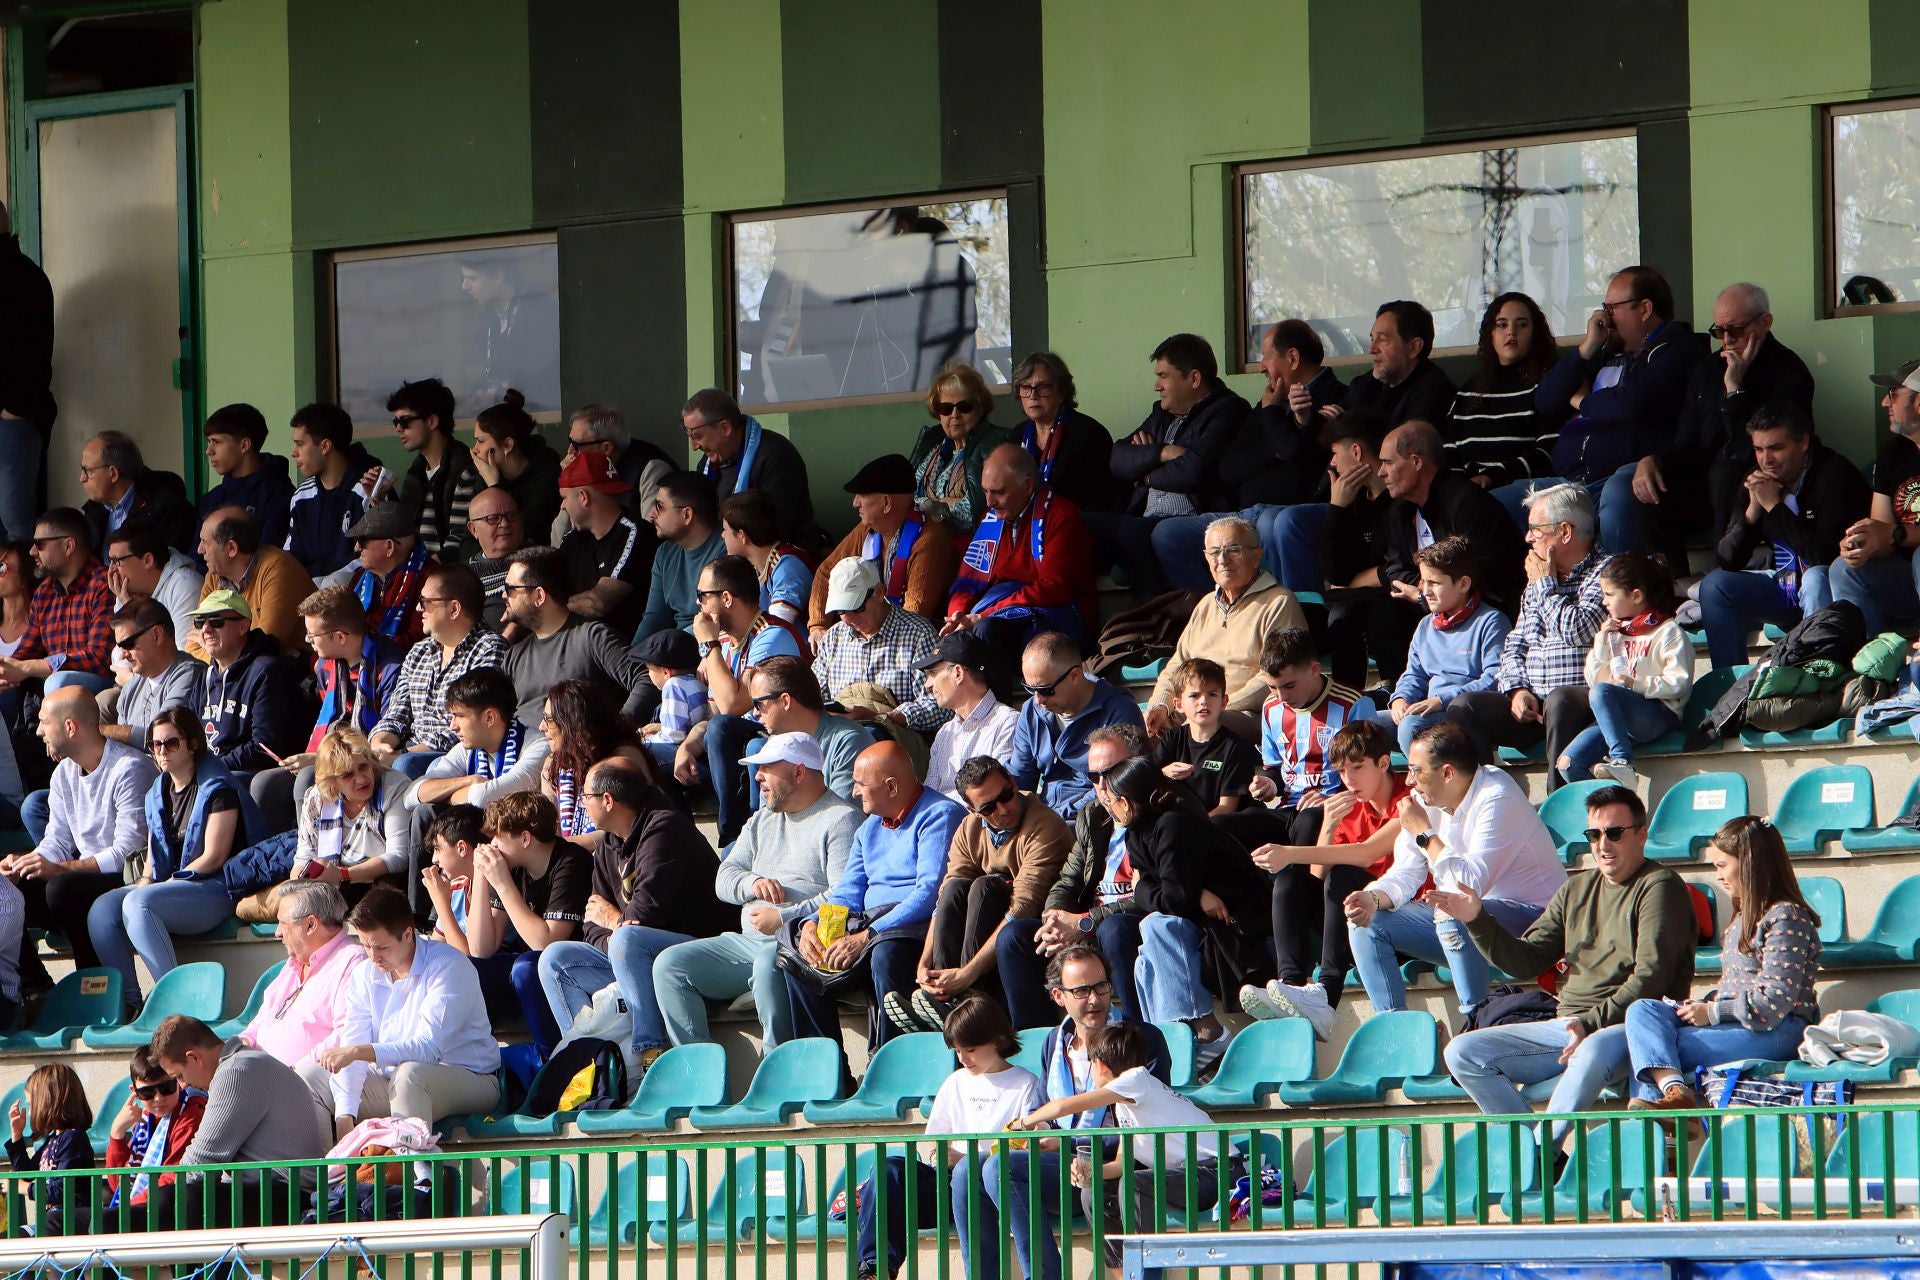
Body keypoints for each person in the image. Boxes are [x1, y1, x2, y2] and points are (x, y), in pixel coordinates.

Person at [1435, 785, 1694, 1139]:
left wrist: (1590, 1023)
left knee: (1592, 1047)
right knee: (1463, 1052)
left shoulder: (1660, 885)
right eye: (1594, 834)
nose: (1603, 844)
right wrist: (1477, 919)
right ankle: (1528, 1152)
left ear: (1641, 835)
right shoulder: (1576, 888)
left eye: (1615, 833)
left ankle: (1541, 1153)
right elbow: (1526, 960)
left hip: (1632, 1027)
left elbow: (1651, 977)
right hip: (1568, 1024)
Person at [1340, 722, 1566, 1023]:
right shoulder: (1425, 800)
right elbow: (1406, 873)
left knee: (1454, 910)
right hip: (1474, 924)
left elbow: (1467, 887)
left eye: (1416, 771)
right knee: (1366, 919)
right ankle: (1393, 1028)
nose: (1409, 782)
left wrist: (1424, 834)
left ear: (1447, 773)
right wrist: (1374, 898)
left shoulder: (1498, 796)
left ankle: (1476, 1020)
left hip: (1537, 923)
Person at [652, 733, 861, 1049]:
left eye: (766, 767)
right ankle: (700, 1078)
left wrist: (783, 917)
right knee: (670, 965)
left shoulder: (842, 819)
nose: (757, 776)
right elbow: (723, 879)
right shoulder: (761, 819)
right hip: (747, 942)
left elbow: (843, 896)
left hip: (799, 942)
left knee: (768, 963)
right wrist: (752, 883)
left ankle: (777, 1072)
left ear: (799, 772)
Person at [975, 945, 1171, 1280]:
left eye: (1101, 987)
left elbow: (1149, 1117)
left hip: (1119, 1164)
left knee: (1002, 1167)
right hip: (1066, 1163)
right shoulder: (1053, 1042)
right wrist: (1045, 1136)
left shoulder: (1140, 1038)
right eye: (1081, 991)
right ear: (1058, 995)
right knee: (973, 1169)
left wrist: (1085, 1150)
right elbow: (1042, 1110)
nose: (1094, 999)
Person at [535, 758, 731, 1072]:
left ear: (608, 800)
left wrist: (615, 923)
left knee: (628, 937)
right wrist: (617, 932)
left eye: (586, 797)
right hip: (635, 956)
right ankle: (588, 1065)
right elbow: (590, 923)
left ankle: (649, 1056)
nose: (583, 804)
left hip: (696, 952)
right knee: (555, 959)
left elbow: (648, 912)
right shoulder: (607, 846)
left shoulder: (666, 828)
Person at [784, 741, 966, 1075]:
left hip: (915, 930)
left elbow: (929, 894)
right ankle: (826, 1073)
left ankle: (892, 1066)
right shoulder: (869, 828)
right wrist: (812, 923)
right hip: (867, 927)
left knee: (886, 950)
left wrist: (868, 936)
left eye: (860, 784)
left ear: (892, 786)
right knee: (794, 959)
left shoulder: (940, 815)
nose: (853, 792)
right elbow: (847, 895)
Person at [1623, 815, 1820, 1117]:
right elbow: (1738, 985)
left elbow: (1775, 1000)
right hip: (1739, 1024)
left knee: (1656, 1049)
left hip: (1779, 1030)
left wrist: (1713, 1013)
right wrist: (1704, 1004)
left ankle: (1660, 1139)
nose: (1717, 876)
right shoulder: (1741, 917)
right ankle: (1675, 1094)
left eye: (1721, 865)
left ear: (1750, 863)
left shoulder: (1787, 916)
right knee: (1643, 1011)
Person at [1613, 282, 1816, 562]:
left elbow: (1750, 448)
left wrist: (1735, 390)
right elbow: (1689, 440)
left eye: (1735, 330)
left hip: (1755, 480)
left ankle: (1725, 568)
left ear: (1765, 322)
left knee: (1726, 467)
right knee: (1647, 483)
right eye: (1719, 331)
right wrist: (1653, 460)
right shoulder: (1707, 369)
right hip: (1703, 481)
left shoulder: (1789, 373)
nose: (1727, 340)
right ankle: (1672, 583)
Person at [1010, 1021, 1232, 1273]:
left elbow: (1062, 1106)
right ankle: (1124, 1273)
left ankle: (1146, 1275)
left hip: (1219, 1172)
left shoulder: (1136, 1079)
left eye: (1091, 1064)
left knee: (1136, 1184)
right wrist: (1091, 1172)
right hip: (1184, 1176)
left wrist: (1023, 1123)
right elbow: (1122, 1163)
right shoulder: (1128, 1104)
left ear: (1101, 1065)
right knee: (1095, 1191)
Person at [89, 708, 267, 1017]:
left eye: (171, 743)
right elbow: (151, 860)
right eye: (156, 745)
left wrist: (162, 886)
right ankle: (131, 1003)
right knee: (102, 910)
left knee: (138, 904)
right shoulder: (158, 791)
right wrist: (145, 882)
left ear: (193, 744)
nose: (162, 751)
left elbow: (213, 856)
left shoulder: (219, 788)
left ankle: (176, 1004)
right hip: (171, 888)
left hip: (215, 888)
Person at [854, 995, 1042, 1280]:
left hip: (990, 1189)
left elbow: (1022, 1151)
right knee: (888, 1168)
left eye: (970, 1049)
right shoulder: (955, 1082)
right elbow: (936, 1140)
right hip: (949, 1184)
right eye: (957, 1051)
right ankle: (875, 1269)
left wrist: (965, 1159)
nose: (963, 1059)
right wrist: (939, 1156)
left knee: (971, 1174)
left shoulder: (1026, 1085)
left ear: (999, 1039)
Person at [1237, 719, 1407, 1032]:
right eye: (1342, 771)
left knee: (1343, 875)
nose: (1349, 779)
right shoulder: (1348, 805)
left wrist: (1290, 853)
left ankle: (1327, 993)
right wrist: (1328, 825)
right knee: (1291, 882)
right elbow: (1317, 877)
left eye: (1357, 767)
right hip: (1353, 920)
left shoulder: (1408, 800)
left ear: (1384, 763)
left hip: (1400, 922)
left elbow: (1367, 853)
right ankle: (1290, 985)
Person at [1521, 265, 1707, 548]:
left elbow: (1632, 402)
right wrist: (1587, 347)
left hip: (1620, 476)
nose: (1604, 317)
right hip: (1570, 480)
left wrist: (1582, 401)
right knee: (1503, 500)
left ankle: (1624, 585)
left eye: (1612, 308)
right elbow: (1546, 401)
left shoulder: (1676, 349)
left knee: (1619, 494)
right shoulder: (1605, 352)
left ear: (1644, 309)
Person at [1153, 320, 1346, 590]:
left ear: (1292, 358)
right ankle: (1221, 616)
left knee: (1272, 523)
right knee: (1167, 533)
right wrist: (1276, 441)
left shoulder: (1336, 400)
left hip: (1286, 514)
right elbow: (1228, 468)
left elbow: (1297, 455)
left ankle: (1283, 619)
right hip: (1245, 514)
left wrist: (1273, 417)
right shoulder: (1268, 404)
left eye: (1266, 357)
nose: (1262, 367)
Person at [1102, 756, 1267, 1065]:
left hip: (1238, 920)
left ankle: (1208, 1032)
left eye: (1110, 800)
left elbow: (1171, 899)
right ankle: (1171, 1041)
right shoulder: (1137, 833)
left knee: (1157, 926)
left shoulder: (1172, 823)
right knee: (1143, 960)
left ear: (1125, 802)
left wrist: (1156, 890)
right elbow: (1147, 890)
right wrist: (1196, 894)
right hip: (1200, 917)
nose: (1108, 807)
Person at [887, 756, 1070, 1033]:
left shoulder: (1044, 826)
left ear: (1012, 782)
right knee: (956, 887)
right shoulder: (969, 828)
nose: (1004, 808)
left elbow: (1023, 908)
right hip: (992, 930)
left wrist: (966, 975)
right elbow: (945, 897)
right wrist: (926, 961)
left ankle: (962, 1003)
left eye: (1007, 795)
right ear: (973, 810)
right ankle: (941, 992)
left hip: (1034, 931)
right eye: (988, 807)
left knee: (985, 887)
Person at [1446, 482, 1610, 789]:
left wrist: (1544, 586)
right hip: (1536, 706)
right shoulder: (1539, 577)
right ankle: (1487, 802)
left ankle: (1558, 805)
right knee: (1464, 706)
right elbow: (1515, 643)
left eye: (1535, 528)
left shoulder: (1607, 573)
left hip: (1582, 705)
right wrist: (1517, 689)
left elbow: (1577, 629)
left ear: (1564, 532)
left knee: (1561, 699)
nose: (1527, 537)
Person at [308, 887, 500, 1136]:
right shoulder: (363, 974)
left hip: (473, 1080)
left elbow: (427, 1049)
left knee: (409, 1075)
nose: (373, 956)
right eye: (366, 946)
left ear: (408, 934)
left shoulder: (449, 967)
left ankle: (416, 1173)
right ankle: (329, 1172)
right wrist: (345, 1116)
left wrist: (360, 1052)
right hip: (395, 1080)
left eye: (381, 947)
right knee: (310, 1078)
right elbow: (352, 1043)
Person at [994, 725, 1147, 1027]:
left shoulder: (1156, 814)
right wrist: (1055, 918)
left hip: (1130, 924)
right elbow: (1069, 878)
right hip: (1090, 923)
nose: (1103, 786)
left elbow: (1153, 896)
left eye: (1113, 772)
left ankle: (1137, 1034)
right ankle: (1037, 1043)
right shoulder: (1093, 815)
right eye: (1094, 777)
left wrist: (1084, 921)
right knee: (1014, 938)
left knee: (1113, 930)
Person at [6, 688, 155, 998]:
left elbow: (128, 852)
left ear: (70, 727)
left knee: (63, 889)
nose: (38, 730)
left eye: (45, 722)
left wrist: (61, 869)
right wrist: (25, 863)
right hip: (84, 877)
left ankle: (99, 994)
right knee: (8, 888)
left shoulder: (130, 768)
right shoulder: (62, 773)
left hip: (129, 878)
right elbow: (57, 841)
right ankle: (36, 989)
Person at [1698, 401, 1867, 669]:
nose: (1766, 459)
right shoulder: (1758, 478)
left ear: (1803, 443)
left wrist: (1775, 508)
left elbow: (1822, 557)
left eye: (1776, 448)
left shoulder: (1836, 475)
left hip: (1830, 590)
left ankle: (1815, 675)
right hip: (1785, 584)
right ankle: (1728, 688)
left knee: (1814, 578)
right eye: (1758, 449)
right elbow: (1729, 560)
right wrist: (1752, 512)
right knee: (1715, 586)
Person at [1365, 421, 1527, 687]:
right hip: (1434, 603)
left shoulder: (1468, 503)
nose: (1381, 472)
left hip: (1485, 610)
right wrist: (1427, 589)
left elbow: (1480, 575)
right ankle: (1397, 690)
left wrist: (1422, 594)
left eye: (1388, 462)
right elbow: (1394, 568)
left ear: (1416, 461)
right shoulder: (1399, 510)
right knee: (1380, 613)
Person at [1088, 334, 1249, 599]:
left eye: (1164, 376)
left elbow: (1194, 471)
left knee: (1134, 535)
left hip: (1193, 520)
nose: (1156, 386)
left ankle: (1150, 621)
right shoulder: (1161, 414)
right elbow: (1118, 458)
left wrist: (1145, 477)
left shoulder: (1229, 410)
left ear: (1194, 379)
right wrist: (1162, 452)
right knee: (1077, 523)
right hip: (1145, 518)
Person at [251, 584, 407, 832]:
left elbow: (386, 734)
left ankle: (312, 853)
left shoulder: (389, 667)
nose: (307, 640)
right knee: (264, 783)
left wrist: (319, 759)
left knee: (306, 777)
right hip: (330, 754)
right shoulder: (327, 667)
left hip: (365, 762)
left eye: (312, 635)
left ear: (340, 637)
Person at [149, 1014, 331, 1226]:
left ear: (194, 1057)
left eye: (179, 1075)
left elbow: (201, 1160)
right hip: (273, 1190)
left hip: (290, 1195)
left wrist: (150, 1202)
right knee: (171, 1201)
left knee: (183, 1200)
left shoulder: (236, 1071)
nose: (183, 1086)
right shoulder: (244, 1063)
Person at [1143, 515, 1307, 741]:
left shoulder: (1279, 602)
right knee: (1138, 726)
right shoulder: (1206, 604)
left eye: (1233, 550)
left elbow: (1274, 676)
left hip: (1245, 713)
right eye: (1214, 552)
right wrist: (1160, 704)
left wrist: (1213, 709)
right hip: (1196, 711)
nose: (1222, 559)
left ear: (1256, 556)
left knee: (1207, 727)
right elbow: (1178, 665)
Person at [686, 553, 810, 843]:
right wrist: (688, 746)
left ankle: (731, 835)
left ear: (726, 598)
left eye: (702, 595)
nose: (698, 604)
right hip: (742, 740)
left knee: (726, 732)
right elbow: (715, 710)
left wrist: (709, 644)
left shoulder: (771, 634)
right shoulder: (727, 643)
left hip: (784, 730)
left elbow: (733, 705)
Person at [945, 443, 1096, 667]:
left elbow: (1053, 588)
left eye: (999, 492)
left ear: (1027, 485)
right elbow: (969, 580)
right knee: (957, 638)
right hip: (1000, 614)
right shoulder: (991, 519)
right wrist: (958, 613)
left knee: (986, 628)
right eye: (985, 491)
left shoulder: (1061, 517)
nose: (989, 502)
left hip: (1052, 616)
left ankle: (997, 702)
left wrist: (987, 614)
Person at [464, 792, 591, 1058]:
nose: (492, 845)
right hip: (532, 974)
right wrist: (481, 877)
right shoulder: (511, 868)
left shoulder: (571, 861)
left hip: (572, 971)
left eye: (497, 837)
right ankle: (478, 1063)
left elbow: (547, 944)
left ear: (525, 838)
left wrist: (501, 882)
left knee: (526, 967)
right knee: (466, 969)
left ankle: (553, 1061)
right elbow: (481, 948)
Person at [1557, 553, 1691, 789]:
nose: (1604, 602)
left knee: (1602, 692)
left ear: (1636, 595)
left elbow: (1679, 683)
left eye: (1609, 595)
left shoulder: (1668, 632)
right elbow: (1594, 680)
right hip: (1618, 717)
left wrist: (1634, 683)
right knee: (1568, 764)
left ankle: (1623, 762)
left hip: (1657, 713)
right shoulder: (1615, 633)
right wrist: (1600, 640)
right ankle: (1617, 807)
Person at [368, 563, 506, 778]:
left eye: (426, 602)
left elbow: (472, 725)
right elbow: (397, 713)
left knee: (405, 765)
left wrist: (400, 754)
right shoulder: (419, 651)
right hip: (406, 750)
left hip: (458, 755)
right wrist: (381, 743)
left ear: (454, 609)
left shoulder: (489, 649)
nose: (418, 608)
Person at [498, 546, 650, 728]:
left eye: (510, 588)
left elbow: (646, 678)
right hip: (517, 752)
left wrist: (618, 733)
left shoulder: (592, 637)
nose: (504, 594)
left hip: (576, 752)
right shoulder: (514, 656)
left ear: (539, 596)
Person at [810, 454, 959, 639]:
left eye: (862, 495)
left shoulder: (929, 541)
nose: (855, 503)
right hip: (868, 631)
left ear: (887, 503)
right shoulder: (866, 529)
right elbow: (826, 573)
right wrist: (818, 626)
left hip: (908, 643)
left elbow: (914, 617)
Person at [1389, 537, 1512, 756]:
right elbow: (1414, 675)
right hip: (1427, 711)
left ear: (1463, 584)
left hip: (1462, 715)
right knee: (1368, 726)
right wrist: (1400, 698)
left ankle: (1427, 786)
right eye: (1423, 582)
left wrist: (1442, 700)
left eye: (1434, 583)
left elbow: (1497, 678)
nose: (1425, 591)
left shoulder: (1491, 621)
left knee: (1412, 727)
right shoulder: (1426, 625)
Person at [238, 880, 364, 1086]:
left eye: (283, 923)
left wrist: (293, 1071)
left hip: (301, 1084)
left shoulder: (352, 962)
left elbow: (347, 1036)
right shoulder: (293, 964)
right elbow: (261, 1020)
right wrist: (243, 1042)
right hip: (260, 1077)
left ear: (311, 925)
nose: (277, 932)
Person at [1009, 632, 1144, 819]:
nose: (1038, 699)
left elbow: (1113, 787)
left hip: (1095, 819)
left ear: (1075, 675)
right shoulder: (1031, 710)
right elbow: (1020, 776)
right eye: (1030, 689)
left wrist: (1053, 817)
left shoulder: (1119, 710)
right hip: (1044, 818)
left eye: (1046, 690)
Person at [1831, 358, 1920, 634]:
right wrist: (1862, 545)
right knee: (1842, 569)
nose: (1885, 403)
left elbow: (1891, 533)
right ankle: (1870, 665)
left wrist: (1895, 535)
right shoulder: (1893, 455)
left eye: (1893, 394)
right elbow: (1880, 528)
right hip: (1904, 582)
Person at [1443, 292, 1566, 491]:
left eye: (1522, 324)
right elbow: (1448, 451)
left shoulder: (1547, 386)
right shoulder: (1468, 392)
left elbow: (1550, 453)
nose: (1511, 332)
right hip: (1467, 495)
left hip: (1526, 492)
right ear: (1490, 333)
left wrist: (1494, 477)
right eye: (1502, 324)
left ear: (1535, 333)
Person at [811, 557, 945, 738]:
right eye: (841, 611)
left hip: (896, 740)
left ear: (879, 593)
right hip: (837, 734)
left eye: (856, 607)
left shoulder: (918, 634)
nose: (849, 618)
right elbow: (812, 695)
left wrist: (884, 718)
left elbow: (941, 705)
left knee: (868, 735)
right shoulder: (833, 637)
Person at [283, 728, 415, 903]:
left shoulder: (394, 787)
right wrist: (301, 883)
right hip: (331, 885)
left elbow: (398, 857)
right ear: (332, 781)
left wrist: (342, 875)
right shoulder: (316, 798)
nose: (361, 779)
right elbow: (304, 855)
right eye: (348, 775)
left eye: (363, 767)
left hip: (378, 883)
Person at [0, 507, 115, 696]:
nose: (32, 551)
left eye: (39, 543)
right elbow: (24, 654)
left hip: (102, 686)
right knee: (7, 686)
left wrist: (28, 667)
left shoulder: (103, 585)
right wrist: (6, 670)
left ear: (68, 546)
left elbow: (99, 658)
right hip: (57, 690)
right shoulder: (44, 592)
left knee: (59, 682)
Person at [189, 591, 304, 778]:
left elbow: (264, 747)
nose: (206, 629)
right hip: (213, 771)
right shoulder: (204, 678)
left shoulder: (266, 671)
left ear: (243, 626)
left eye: (216, 621)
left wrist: (211, 768)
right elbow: (188, 734)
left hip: (251, 774)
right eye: (200, 622)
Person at [683, 387, 815, 542]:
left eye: (697, 436)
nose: (694, 446)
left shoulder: (776, 455)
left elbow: (773, 529)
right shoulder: (706, 464)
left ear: (725, 428)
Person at [0, 199, 55, 545]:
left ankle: (26, 600)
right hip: (14, 416)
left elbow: (34, 351)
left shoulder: (22, 276)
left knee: (16, 524)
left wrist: (15, 409)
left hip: (13, 419)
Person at [192, 506, 317, 659]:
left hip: (296, 674)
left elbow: (263, 650)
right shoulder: (214, 575)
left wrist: (218, 654)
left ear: (232, 548)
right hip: (238, 676)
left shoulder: (278, 570)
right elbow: (192, 646)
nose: (199, 549)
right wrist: (225, 657)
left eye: (206, 542)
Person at [539, 680, 652, 843]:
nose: (541, 726)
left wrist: (563, 848)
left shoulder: (622, 758)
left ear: (573, 724)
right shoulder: (552, 765)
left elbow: (631, 825)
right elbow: (551, 828)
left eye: (548, 719)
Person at [558, 448, 654, 640]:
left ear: (583, 497)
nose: (562, 506)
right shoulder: (572, 540)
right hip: (575, 648)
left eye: (564, 498)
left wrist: (553, 608)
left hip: (622, 652)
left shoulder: (636, 533)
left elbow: (598, 603)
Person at [103, 1044, 205, 1219]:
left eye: (167, 1088)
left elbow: (172, 1177)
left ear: (178, 1081)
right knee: (57, 1220)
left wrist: (125, 1208)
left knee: (104, 1221)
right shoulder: (144, 1120)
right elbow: (119, 1187)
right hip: (141, 1205)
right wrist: (117, 1134)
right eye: (147, 1093)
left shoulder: (190, 1114)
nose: (158, 1098)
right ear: (134, 1092)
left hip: (171, 1210)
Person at [917, 631, 1020, 803]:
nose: (927, 684)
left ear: (958, 673)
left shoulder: (1008, 723)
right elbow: (928, 798)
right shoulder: (944, 733)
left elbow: (997, 801)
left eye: (932, 673)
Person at [285, 402, 384, 579]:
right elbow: (291, 556)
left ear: (325, 446)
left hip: (355, 590)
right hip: (309, 587)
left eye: (300, 444)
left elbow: (372, 556)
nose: (294, 452)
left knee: (332, 583)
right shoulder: (301, 496)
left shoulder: (367, 488)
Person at [1008, 351, 1114, 514]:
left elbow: (1102, 500)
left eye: (1043, 387)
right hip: (1026, 525)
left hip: (1076, 524)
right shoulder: (1017, 435)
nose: (1033, 395)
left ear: (1062, 392)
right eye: (1026, 387)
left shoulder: (1088, 433)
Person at [389, 377, 481, 563]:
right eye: (395, 422)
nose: (398, 428)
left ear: (431, 421)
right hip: (420, 572)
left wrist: (418, 571)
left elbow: (460, 541)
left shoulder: (465, 470)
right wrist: (378, 499)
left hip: (448, 577)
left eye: (405, 421)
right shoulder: (416, 473)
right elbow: (403, 534)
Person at [909, 361, 1009, 532]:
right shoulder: (933, 444)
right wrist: (934, 504)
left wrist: (930, 506)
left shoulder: (994, 445)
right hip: (923, 536)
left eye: (964, 407)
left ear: (980, 408)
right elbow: (906, 500)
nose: (955, 415)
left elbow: (972, 513)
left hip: (964, 545)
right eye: (946, 408)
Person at [1149, 658, 1256, 814]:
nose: (1204, 701)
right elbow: (1146, 781)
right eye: (1194, 695)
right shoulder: (1173, 738)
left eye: (1212, 694)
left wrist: (1195, 828)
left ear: (1224, 701)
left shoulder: (1234, 747)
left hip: (1214, 827)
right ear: (1178, 704)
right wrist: (1165, 773)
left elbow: (1227, 808)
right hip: (1175, 824)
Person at [559, 403, 673, 541]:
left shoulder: (650, 468)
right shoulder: (585, 474)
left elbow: (650, 535)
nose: (570, 452)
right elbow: (558, 540)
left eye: (577, 445)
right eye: (570, 442)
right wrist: (570, 485)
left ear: (606, 448)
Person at [635, 471, 726, 644]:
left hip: (710, 647)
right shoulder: (665, 553)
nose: (651, 514)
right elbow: (654, 618)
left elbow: (716, 620)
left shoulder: (725, 548)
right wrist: (631, 659)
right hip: (674, 649)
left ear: (687, 515)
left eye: (659, 507)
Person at [102, 599, 202, 749]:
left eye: (128, 644)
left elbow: (163, 738)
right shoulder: (131, 687)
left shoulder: (190, 675)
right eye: (119, 647)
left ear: (157, 634)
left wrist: (99, 731)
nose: (123, 655)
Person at [6, 1063, 93, 1235]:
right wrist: (17, 1135)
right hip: (52, 1224)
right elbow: (28, 1174)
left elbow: (61, 1189)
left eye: (32, 1105)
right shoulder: (54, 1139)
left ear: (49, 1102)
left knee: (11, 1242)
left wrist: (22, 1188)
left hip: (68, 1226)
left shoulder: (73, 1138)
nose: (30, 1113)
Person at [78, 431, 196, 557]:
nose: (82, 478)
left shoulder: (165, 509)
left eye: (88, 471)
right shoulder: (95, 510)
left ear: (113, 473)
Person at [470, 390, 563, 543]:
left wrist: (495, 486)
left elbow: (521, 531)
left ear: (507, 444)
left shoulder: (547, 475)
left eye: (480, 441)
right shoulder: (486, 475)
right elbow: (470, 536)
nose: (474, 449)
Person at [199, 404, 295, 549]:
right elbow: (196, 557)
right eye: (209, 442)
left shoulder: (279, 495)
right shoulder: (212, 499)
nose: (209, 451)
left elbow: (268, 558)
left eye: (217, 442)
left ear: (244, 445)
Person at [341, 503, 437, 647]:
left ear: (389, 547)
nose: (357, 547)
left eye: (363, 540)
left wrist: (363, 650)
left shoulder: (431, 581)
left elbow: (417, 639)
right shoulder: (359, 578)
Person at [721, 489, 814, 628]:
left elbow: (776, 627)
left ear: (742, 535)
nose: (722, 535)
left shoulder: (789, 566)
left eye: (725, 529)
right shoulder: (752, 567)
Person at [106, 520, 201, 646]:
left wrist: (135, 612)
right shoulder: (126, 594)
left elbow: (184, 657)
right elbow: (121, 656)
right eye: (110, 561)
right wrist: (129, 606)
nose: (111, 570)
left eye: (116, 561)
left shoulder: (184, 585)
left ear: (148, 560)